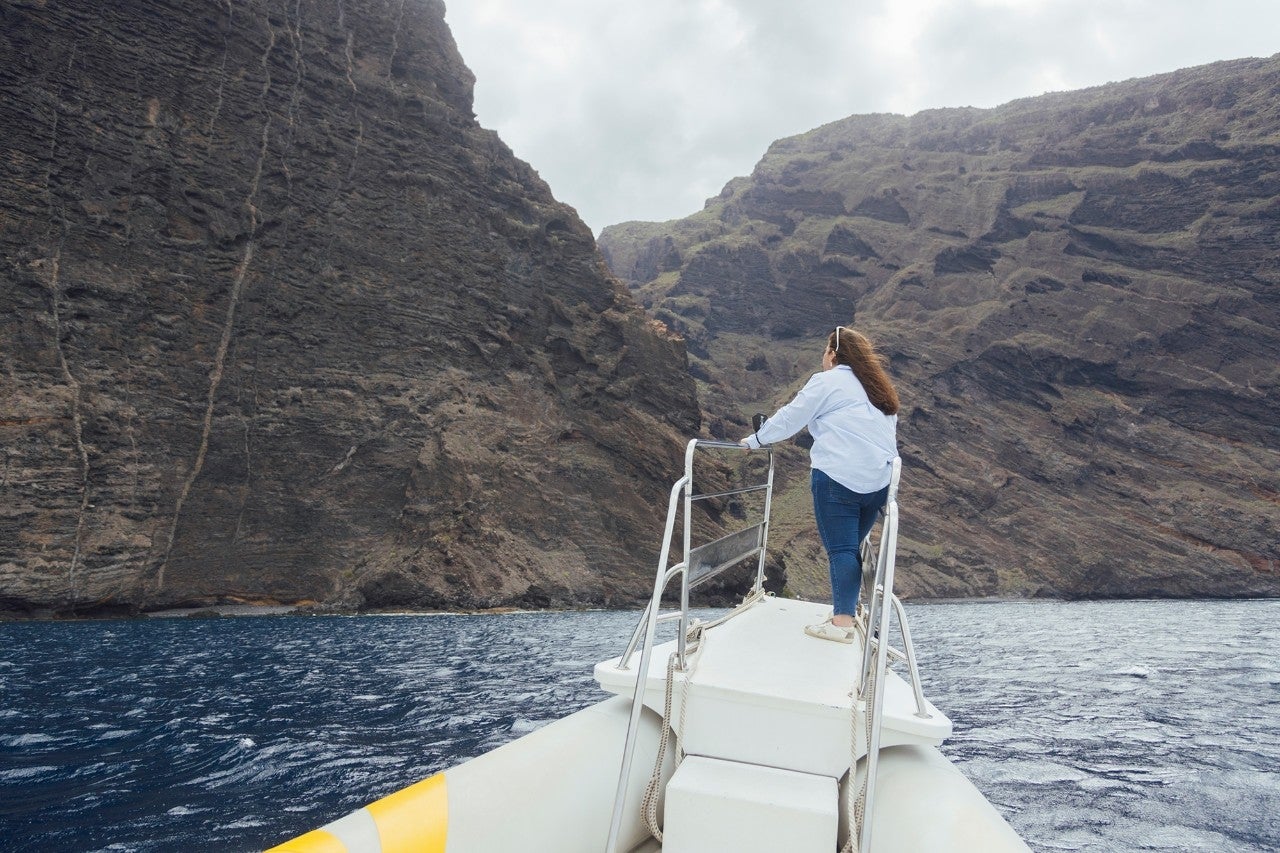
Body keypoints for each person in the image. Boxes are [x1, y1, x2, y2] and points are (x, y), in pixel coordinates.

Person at [740, 325, 899, 643]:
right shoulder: (879, 390)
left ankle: (841, 623)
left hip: (839, 479)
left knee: (841, 550)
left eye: (825, 353)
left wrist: (756, 440)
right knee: (851, 548)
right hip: (880, 484)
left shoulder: (828, 381)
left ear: (832, 354)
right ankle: (848, 613)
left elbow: (791, 417)